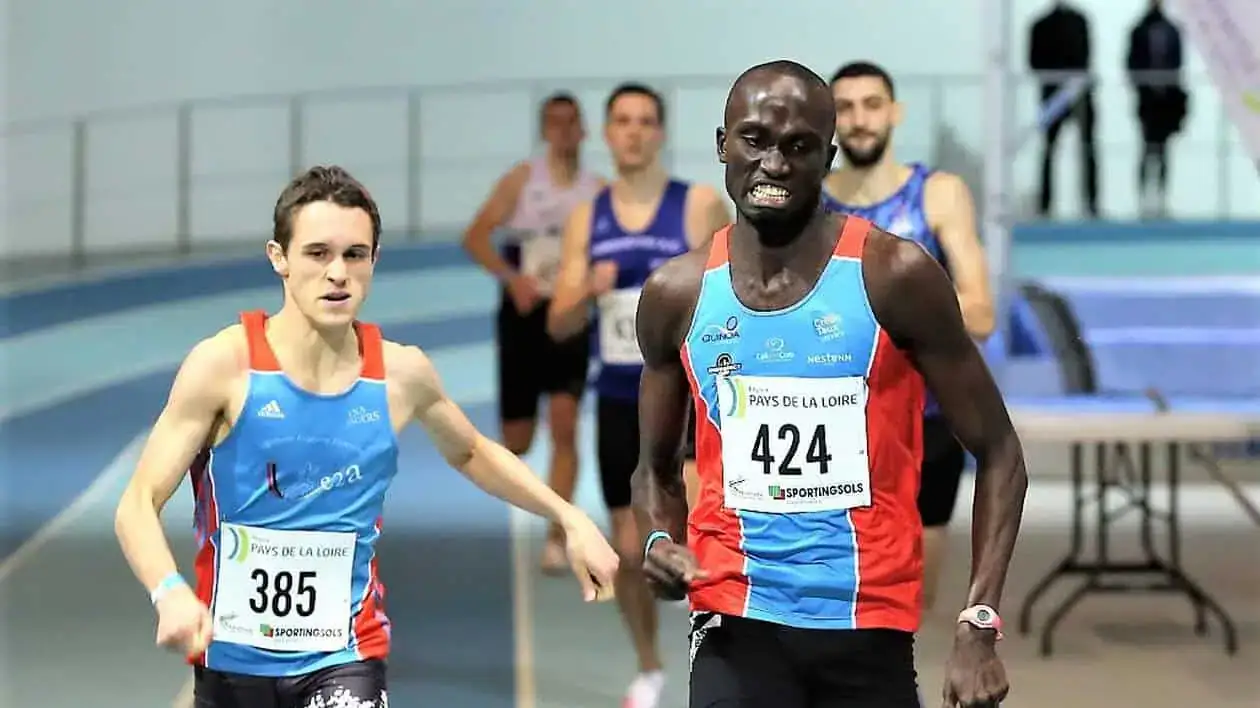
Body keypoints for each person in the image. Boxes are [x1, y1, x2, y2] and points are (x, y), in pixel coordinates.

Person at [114, 166, 619, 708]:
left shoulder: (401, 375)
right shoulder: (225, 367)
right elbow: (138, 502)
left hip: (345, 656)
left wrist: (570, 517)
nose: (338, 273)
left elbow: (472, 451)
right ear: (278, 258)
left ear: (374, 261)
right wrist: (168, 592)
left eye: (355, 254)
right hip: (230, 661)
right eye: (318, 253)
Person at [631, 60, 1027, 708]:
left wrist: (978, 622)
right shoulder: (677, 294)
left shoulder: (894, 276)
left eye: (799, 147)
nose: (774, 164)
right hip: (736, 616)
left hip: (866, 625)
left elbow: (1002, 451)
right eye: (754, 139)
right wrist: (659, 540)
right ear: (722, 144)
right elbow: (654, 469)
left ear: (827, 156)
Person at [547, 82, 731, 708]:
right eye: (622, 121)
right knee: (630, 551)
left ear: (661, 132)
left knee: (701, 536)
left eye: (646, 121)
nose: (633, 132)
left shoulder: (698, 205)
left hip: (684, 397)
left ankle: (718, 655)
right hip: (618, 401)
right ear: (607, 133)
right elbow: (558, 322)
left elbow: (741, 285)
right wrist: (589, 291)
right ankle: (651, 666)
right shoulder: (587, 218)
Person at [824, 60, 996, 612]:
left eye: (871, 105)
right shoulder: (813, 204)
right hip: (833, 422)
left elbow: (982, 311)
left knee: (908, 603)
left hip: (925, 424)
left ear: (894, 113)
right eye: (845, 108)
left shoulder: (938, 195)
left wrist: (897, 313)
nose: (859, 120)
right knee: (834, 594)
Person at [462, 92, 604, 573]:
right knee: (517, 440)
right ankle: (537, 506)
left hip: (570, 315)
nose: (564, 131)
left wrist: (591, 285)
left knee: (564, 425)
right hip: (522, 313)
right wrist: (512, 278)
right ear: (545, 131)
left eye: (571, 123)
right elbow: (476, 235)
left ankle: (557, 536)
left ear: (584, 130)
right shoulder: (523, 180)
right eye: (554, 123)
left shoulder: (597, 190)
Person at [1029, 0, 1099, 218]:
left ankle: (1090, 203)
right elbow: (1034, 62)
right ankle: (1045, 205)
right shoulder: (1042, 25)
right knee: (1050, 150)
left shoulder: (1077, 21)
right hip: (1053, 96)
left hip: (1078, 94)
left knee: (1086, 147)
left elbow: (1086, 58)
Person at [1126, 0, 1188, 217]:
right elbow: (1131, 64)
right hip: (1147, 101)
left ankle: (1161, 198)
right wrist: (1146, 87)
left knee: (1163, 151)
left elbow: (1178, 64)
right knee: (1146, 149)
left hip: (1167, 101)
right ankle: (1142, 199)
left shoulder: (1172, 30)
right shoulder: (1139, 30)